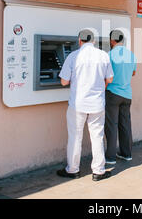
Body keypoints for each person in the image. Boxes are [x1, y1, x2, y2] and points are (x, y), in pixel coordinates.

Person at [56, 29, 114, 181]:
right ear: (93, 41)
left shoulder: (73, 56)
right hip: (97, 104)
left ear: (80, 41)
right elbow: (110, 79)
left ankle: (73, 170)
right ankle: (98, 171)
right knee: (97, 137)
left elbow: (64, 81)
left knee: (75, 137)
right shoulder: (103, 55)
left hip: (78, 104)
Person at [104, 30, 137, 165]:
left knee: (112, 125)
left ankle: (111, 157)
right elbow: (133, 73)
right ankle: (126, 153)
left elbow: (106, 76)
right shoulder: (131, 55)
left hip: (112, 93)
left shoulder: (109, 55)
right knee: (125, 124)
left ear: (112, 41)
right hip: (127, 94)